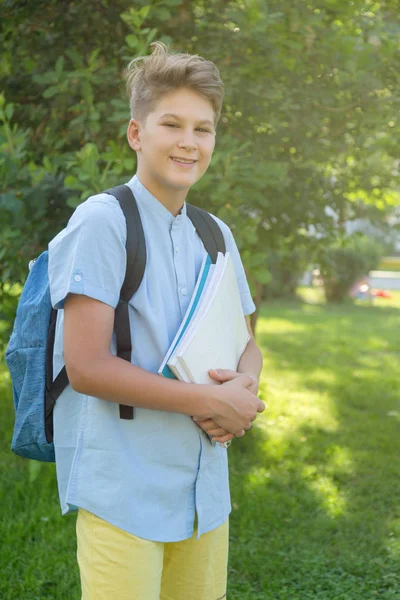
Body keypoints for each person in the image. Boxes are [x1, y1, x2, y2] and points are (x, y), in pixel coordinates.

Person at [48, 41, 265, 600]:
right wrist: (210, 402)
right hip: (124, 490)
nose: (190, 142)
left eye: (204, 128)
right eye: (172, 124)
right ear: (136, 133)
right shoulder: (103, 222)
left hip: (202, 493)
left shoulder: (215, 233)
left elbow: (248, 342)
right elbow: (88, 367)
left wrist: (243, 389)